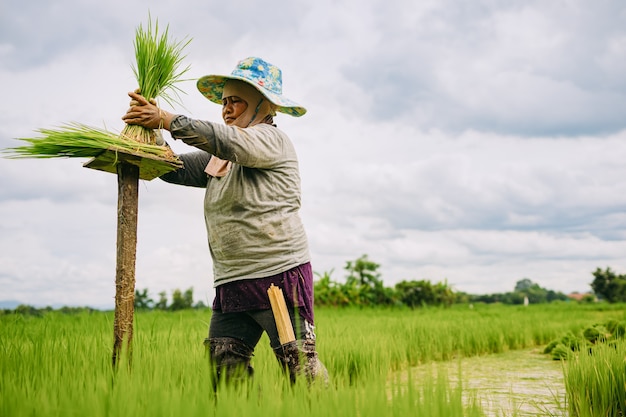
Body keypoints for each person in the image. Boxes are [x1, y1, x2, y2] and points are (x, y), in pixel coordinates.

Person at [122, 57, 328, 387]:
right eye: (225, 101)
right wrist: (153, 138)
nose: (227, 109)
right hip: (232, 282)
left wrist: (166, 119)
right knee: (224, 368)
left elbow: (228, 141)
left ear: (264, 105)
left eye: (237, 101)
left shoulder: (270, 141)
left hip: (278, 277)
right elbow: (176, 169)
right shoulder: (222, 155)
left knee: (301, 369)